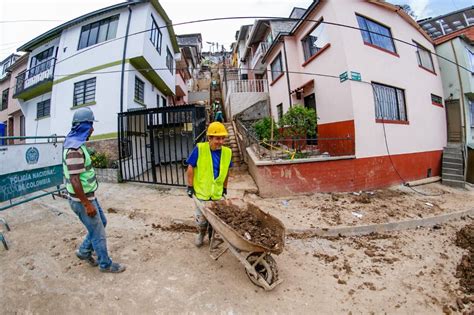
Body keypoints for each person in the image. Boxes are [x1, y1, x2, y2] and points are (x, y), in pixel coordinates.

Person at [62, 107, 126, 273]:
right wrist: (86, 204)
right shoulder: (74, 149)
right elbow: (75, 180)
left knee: (101, 223)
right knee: (98, 233)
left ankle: (84, 251)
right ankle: (105, 264)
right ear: (83, 126)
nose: (92, 129)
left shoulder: (76, 144)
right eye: (90, 125)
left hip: (88, 197)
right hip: (82, 200)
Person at [186, 122, 233, 247]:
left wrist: (225, 187)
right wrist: (190, 186)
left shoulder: (227, 152)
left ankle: (213, 239)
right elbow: (190, 167)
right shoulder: (200, 149)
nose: (221, 141)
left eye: (223, 138)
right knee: (201, 219)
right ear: (210, 138)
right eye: (218, 138)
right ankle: (201, 234)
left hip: (217, 193)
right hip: (202, 192)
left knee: (216, 220)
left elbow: (227, 171)